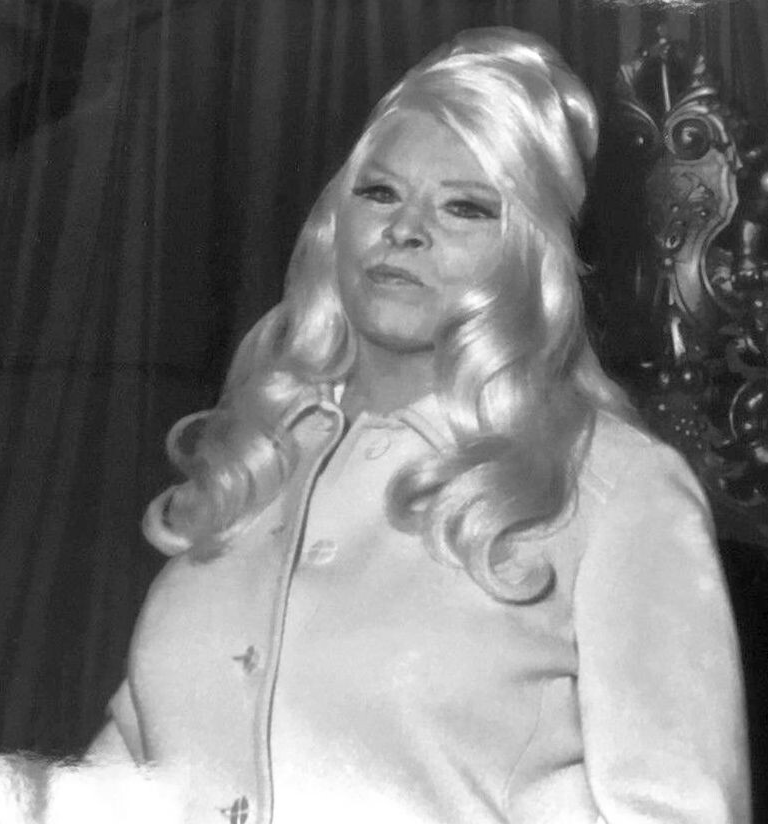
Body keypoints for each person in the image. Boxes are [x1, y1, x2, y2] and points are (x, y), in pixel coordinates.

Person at [86, 26, 750, 824]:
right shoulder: (256, 462)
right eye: (378, 193)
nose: (405, 229)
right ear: (336, 220)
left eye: (464, 207)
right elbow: (123, 779)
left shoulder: (616, 488)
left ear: (529, 253)